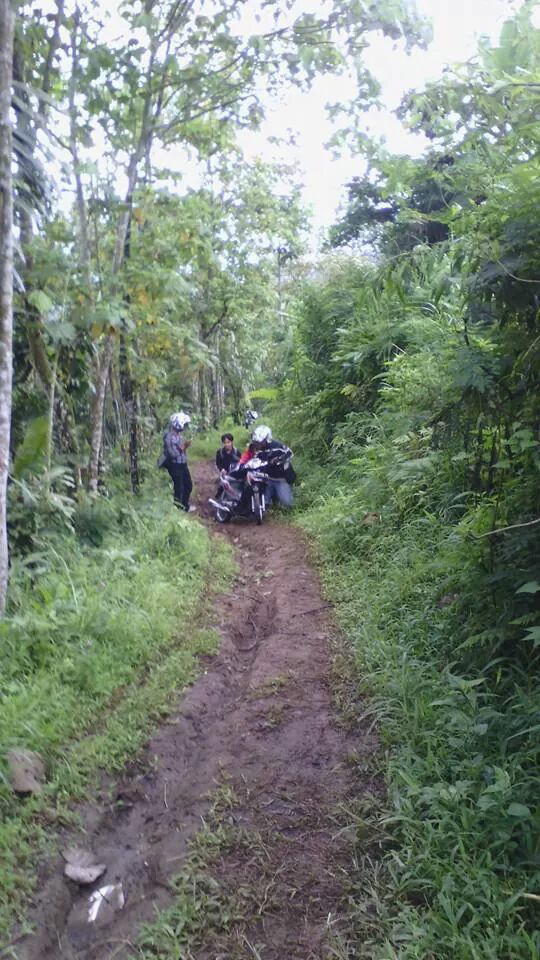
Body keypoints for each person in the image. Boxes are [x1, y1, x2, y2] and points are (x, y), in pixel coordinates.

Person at [250, 424, 296, 508]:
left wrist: (279, 460)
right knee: (263, 503)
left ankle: (278, 497)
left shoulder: (277, 446)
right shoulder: (257, 450)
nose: (258, 444)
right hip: (266, 480)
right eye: (257, 442)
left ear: (267, 439)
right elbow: (254, 460)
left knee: (288, 504)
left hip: (280, 479)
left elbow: (290, 453)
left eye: (261, 441)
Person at [164, 411, 193, 511]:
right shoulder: (170, 437)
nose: (185, 427)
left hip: (182, 465)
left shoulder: (178, 435)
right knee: (179, 488)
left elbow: (180, 450)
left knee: (188, 485)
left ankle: (184, 506)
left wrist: (184, 446)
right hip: (175, 466)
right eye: (184, 424)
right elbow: (173, 454)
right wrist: (184, 446)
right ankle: (179, 509)